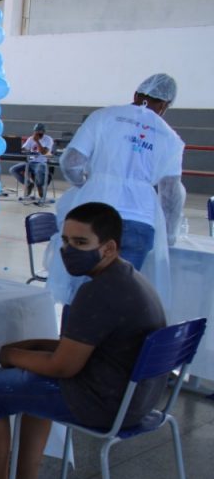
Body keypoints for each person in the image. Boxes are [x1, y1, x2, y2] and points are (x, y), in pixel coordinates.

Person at [0, 202, 166, 479]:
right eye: (65, 241)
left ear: (108, 248)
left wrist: (11, 355)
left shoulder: (98, 293)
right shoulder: (129, 277)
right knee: (31, 378)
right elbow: (76, 346)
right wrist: (28, 350)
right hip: (137, 400)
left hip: (105, 404)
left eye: (80, 243)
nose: (69, 250)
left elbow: (63, 366)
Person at [47, 73, 186, 308]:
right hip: (140, 220)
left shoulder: (103, 117)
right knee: (118, 296)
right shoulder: (171, 138)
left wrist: (86, 185)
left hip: (96, 214)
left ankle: (74, 331)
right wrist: (170, 234)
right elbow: (171, 194)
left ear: (136, 94)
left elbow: (70, 162)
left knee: (82, 293)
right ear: (165, 105)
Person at [10, 123, 53, 204]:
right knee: (13, 169)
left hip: (41, 162)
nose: (37, 133)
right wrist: (23, 149)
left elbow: (44, 152)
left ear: (43, 132)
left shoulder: (48, 139)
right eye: (36, 131)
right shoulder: (31, 138)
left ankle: (39, 185)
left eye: (39, 131)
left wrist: (37, 141)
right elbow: (24, 148)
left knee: (39, 170)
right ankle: (29, 184)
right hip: (30, 162)